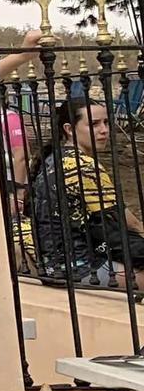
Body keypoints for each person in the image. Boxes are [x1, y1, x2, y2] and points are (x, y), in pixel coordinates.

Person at [23, 98, 144, 287]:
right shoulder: (83, 165)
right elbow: (129, 223)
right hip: (82, 268)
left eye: (106, 122)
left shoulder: (51, 159)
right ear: (69, 129)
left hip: (51, 266)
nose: (104, 130)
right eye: (94, 124)